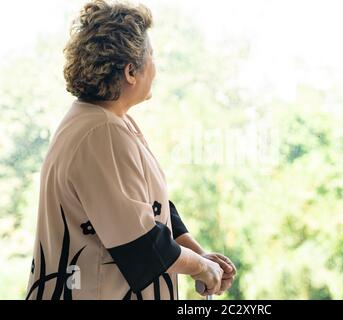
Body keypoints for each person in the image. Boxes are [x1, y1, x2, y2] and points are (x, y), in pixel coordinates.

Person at [25, 0, 236, 300]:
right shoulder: (101, 133)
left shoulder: (106, 122)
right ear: (130, 72)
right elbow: (142, 245)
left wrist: (201, 255)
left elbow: (152, 209)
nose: (156, 66)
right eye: (151, 56)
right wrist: (201, 267)